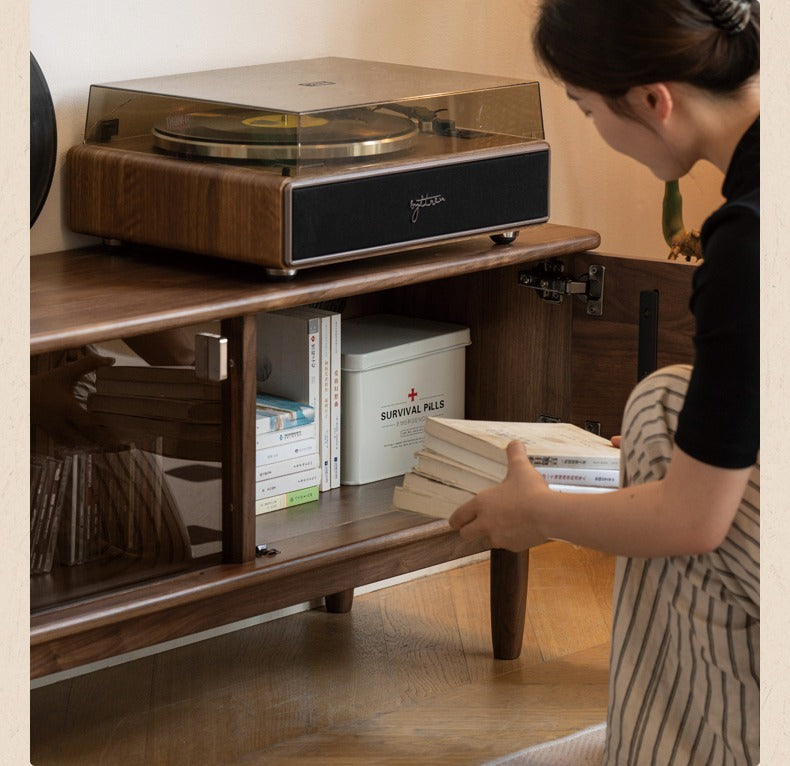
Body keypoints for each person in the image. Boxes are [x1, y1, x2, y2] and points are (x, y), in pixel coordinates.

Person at [449, 1, 760, 763]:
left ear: (655, 101)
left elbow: (692, 524)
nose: (593, 130)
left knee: (660, 420)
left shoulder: (754, 241)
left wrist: (540, 514)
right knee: (668, 420)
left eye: (587, 111)